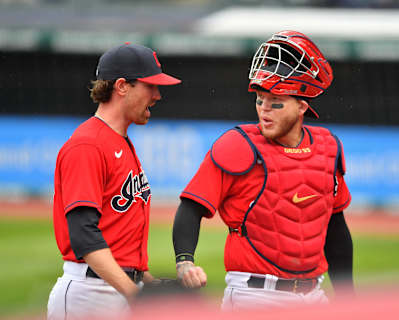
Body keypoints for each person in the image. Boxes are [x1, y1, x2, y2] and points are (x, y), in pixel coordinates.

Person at [172, 30, 353, 310]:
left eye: (276, 102)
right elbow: (191, 207)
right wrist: (185, 261)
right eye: (259, 100)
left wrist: (348, 298)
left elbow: (335, 227)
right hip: (255, 296)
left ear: (302, 106)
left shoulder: (328, 148)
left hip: (314, 296)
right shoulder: (237, 145)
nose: (264, 110)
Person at [47, 42, 181, 320]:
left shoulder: (119, 142)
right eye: (150, 86)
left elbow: (118, 236)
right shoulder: (88, 145)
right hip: (90, 295)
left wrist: (149, 284)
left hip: (114, 286)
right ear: (122, 86)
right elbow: (84, 236)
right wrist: (136, 295)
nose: (157, 95)